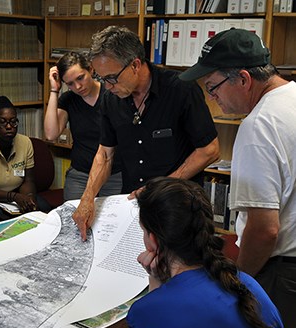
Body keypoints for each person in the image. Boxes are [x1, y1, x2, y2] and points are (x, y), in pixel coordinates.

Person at [179, 28, 296, 328]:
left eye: (212, 87)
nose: (211, 98)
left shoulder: (259, 126)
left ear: (243, 79)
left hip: (281, 272)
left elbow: (264, 229)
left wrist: (240, 283)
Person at [72, 26, 220, 241]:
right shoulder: (110, 99)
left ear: (135, 64)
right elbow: (105, 154)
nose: (107, 86)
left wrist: (160, 188)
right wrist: (87, 199)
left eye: (112, 78)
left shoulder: (181, 89)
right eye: (102, 78)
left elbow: (210, 150)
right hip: (133, 206)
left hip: (180, 206)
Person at [128, 177, 285, 328]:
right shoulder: (249, 285)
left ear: (153, 240)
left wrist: (156, 286)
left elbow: (158, 318)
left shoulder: (146, 312)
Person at [44, 51, 122, 201]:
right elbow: (51, 134)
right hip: (81, 175)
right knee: (75, 219)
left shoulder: (112, 94)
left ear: (91, 70)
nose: (78, 86)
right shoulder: (68, 99)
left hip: (114, 174)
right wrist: (54, 90)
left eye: (80, 78)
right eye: (70, 83)